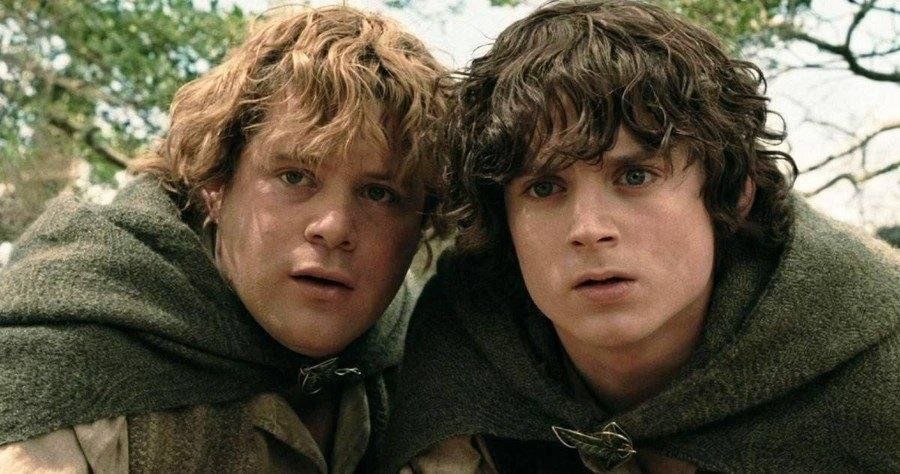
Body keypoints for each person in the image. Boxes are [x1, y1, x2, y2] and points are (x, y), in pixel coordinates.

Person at [381, 1, 900, 472]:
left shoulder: (878, 363)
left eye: (635, 176)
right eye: (544, 187)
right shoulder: (453, 347)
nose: (589, 230)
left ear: (734, 191)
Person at [0, 5, 448, 472]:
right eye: (295, 176)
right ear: (215, 186)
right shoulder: (74, 351)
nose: (334, 227)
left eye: (379, 194)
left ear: (422, 222)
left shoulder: (428, 358)